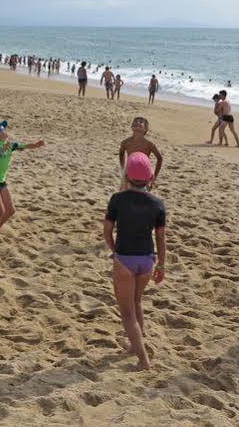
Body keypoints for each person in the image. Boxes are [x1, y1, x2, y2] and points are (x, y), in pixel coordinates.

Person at [103, 152, 166, 370]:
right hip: (147, 259)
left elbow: (107, 232)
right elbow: (160, 237)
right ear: (150, 178)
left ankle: (143, 358)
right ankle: (134, 345)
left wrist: (115, 251)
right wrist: (162, 264)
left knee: (127, 312)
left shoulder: (117, 199)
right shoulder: (158, 204)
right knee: (137, 302)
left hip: (125, 260)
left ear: (127, 176)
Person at [0, 121, 45, 247]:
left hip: (2, 182)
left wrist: (37, 145)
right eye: (2, 129)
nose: (5, 130)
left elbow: (26, 146)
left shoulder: (11, 145)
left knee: (10, 210)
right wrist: (0, 150)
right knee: (0, 211)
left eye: (4, 129)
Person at [118, 117, 164, 190]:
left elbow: (159, 158)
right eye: (135, 121)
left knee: (142, 192)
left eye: (141, 122)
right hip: (129, 170)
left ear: (145, 129)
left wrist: (155, 175)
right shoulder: (126, 142)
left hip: (144, 172)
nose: (138, 122)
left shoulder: (149, 144)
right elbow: (121, 154)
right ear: (131, 127)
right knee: (124, 192)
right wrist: (123, 168)